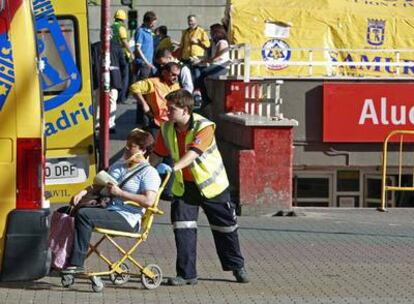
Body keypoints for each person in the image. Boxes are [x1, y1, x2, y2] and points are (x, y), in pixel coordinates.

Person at [150, 89, 249, 286]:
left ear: (185, 109)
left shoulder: (203, 126)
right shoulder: (167, 128)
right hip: (185, 187)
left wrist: (172, 167)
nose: (167, 112)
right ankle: (187, 274)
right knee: (183, 228)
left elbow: (194, 153)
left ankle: (237, 266)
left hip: (213, 187)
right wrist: (146, 171)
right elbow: (157, 154)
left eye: (171, 109)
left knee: (225, 228)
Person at [60, 129, 161, 274]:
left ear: (143, 150)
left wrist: (120, 193)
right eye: (126, 145)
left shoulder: (149, 173)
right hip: (108, 208)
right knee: (66, 211)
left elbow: (148, 201)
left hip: (128, 217)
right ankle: (59, 256)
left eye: (131, 147)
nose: (126, 149)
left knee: (84, 215)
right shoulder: (120, 165)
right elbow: (99, 184)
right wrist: (83, 192)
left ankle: (76, 263)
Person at [130, 62, 181, 137]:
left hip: (171, 122)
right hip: (155, 122)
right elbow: (134, 87)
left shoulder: (176, 85)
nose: (176, 78)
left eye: (177, 75)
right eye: (173, 74)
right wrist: (144, 104)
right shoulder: (153, 82)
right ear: (164, 72)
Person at [91, 40, 127, 133]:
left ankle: (97, 123)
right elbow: (123, 63)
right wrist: (122, 78)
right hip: (114, 78)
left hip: (98, 78)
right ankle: (110, 124)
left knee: (98, 102)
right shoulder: (117, 46)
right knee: (112, 101)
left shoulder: (95, 46)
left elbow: (92, 64)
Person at [193, 23, 230, 108]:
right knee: (198, 72)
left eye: (212, 32)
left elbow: (217, 58)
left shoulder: (222, 42)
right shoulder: (214, 43)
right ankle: (202, 95)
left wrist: (202, 61)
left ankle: (205, 98)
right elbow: (208, 50)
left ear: (218, 32)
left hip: (221, 67)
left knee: (201, 74)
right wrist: (199, 44)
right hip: (215, 66)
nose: (211, 34)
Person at [111, 9, 134, 104]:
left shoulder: (111, 27)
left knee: (117, 74)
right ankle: (122, 97)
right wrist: (131, 52)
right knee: (125, 77)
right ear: (123, 19)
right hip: (122, 54)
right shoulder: (121, 27)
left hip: (113, 53)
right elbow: (124, 41)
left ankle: (116, 96)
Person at [134, 11, 157, 81]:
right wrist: (146, 62)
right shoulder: (140, 31)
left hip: (149, 64)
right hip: (143, 64)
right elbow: (138, 48)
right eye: (152, 23)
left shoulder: (149, 32)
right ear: (147, 21)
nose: (154, 25)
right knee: (142, 85)